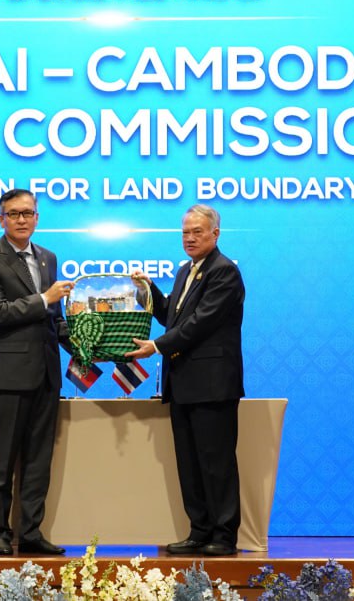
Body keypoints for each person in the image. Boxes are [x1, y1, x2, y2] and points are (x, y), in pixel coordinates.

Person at [128, 204, 245, 557]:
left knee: (216, 463)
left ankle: (223, 536)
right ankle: (199, 531)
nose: (190, 238)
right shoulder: (184, 271)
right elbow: (173, 318)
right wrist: (150, 290)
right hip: (182, 384)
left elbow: (201, 323)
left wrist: (156, 347)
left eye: (197, 232)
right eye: (185, 232)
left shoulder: (224, 272)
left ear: (215, 234)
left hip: (212, 385)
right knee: (190, 464)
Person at [0, 188, 73, 557]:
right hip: (9, 375)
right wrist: (45, 298)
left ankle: (31, 533)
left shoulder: (47, 257)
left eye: (28, 213)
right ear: (1, 219)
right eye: (13, 214)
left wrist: (87, 346)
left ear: (37, 218)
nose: (21, 219)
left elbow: (54, 320)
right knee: (2, 461)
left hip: (46, 374)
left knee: (38, 461)